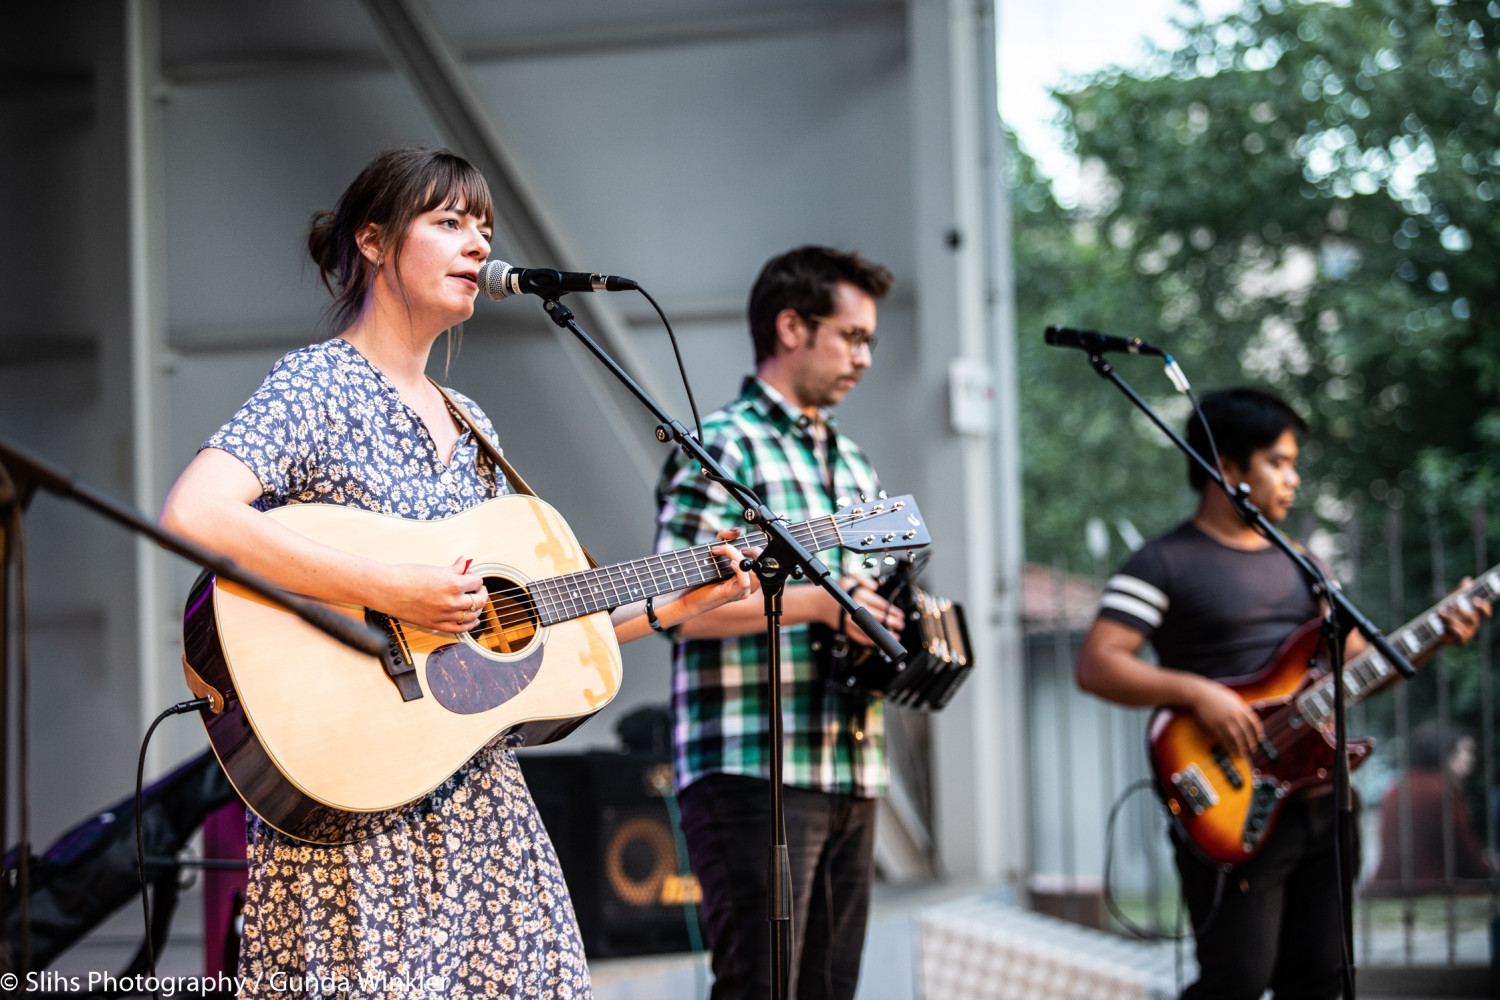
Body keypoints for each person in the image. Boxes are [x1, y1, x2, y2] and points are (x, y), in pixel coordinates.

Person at [159, 146, 757, 1000]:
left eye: (484, 227)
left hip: (480, 815)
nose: (479, 245)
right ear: (373, 240)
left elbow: (514, 641)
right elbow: (195, 514)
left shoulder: (471, 422)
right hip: (355, 811)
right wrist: (386, 587)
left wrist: (668, 609)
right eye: (449, 222)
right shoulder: (317, 384)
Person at [1075, 386, 1489, 1000]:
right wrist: (1199, 694)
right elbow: (1098, 665)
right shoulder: (1161, 564)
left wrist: (1434, 639)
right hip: (1227, 797)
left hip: (1320, 799)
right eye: (1278, 462)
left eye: (1294, 464)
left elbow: (1359, 669)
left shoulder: (1305, 563)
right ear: (1227, 466)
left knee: (1321, 979)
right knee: (1237, 981)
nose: (1292, 479)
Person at [653, 246, 904, 1000]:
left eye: (870, 341)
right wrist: (826, 605)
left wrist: (891, 618)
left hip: (850, 762)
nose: (865, 357)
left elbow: (870, 590)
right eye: (852, 336)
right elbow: (677, 606)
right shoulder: (725, 445)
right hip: (749, 764)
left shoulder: (856, 465)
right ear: (792, 326)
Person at [1370, 720, 1490, 890]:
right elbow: (1463, 855)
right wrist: (1487, 868)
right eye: (1465, 751)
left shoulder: (1398, 786)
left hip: (1387, 885)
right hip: (1429, 886)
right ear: (1446, 752)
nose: (1470, 759)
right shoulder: (1442, 790)